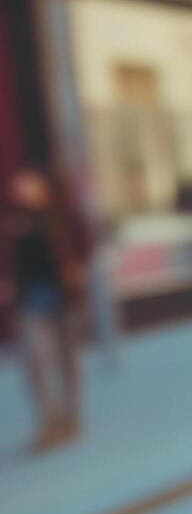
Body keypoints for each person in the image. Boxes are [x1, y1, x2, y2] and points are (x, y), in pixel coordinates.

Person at [3, 165, 91, 451]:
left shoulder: (63, 214)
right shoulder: (12, 220)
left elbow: (87, 242)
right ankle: (48, 419)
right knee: (35, 360)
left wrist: (78, 268)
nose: (23, 189)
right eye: (20, 184)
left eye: (28, 182)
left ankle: (70, 415)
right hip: (30, 300)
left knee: (67, 359)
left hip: (63, 296)